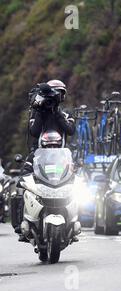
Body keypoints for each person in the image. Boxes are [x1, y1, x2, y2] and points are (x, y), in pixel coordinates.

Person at [14, 80, 75, 241]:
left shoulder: (66, 113)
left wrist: (57, 113)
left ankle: (73, 223)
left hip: (61, 158)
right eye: (54, 93)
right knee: (21, 184)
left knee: (78, 184)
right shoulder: (37, 112)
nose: (56, 97)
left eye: (60, 94)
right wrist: (41, 111)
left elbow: (70, 130)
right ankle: (21, 225)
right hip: (37, 156)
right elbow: (34, 132)